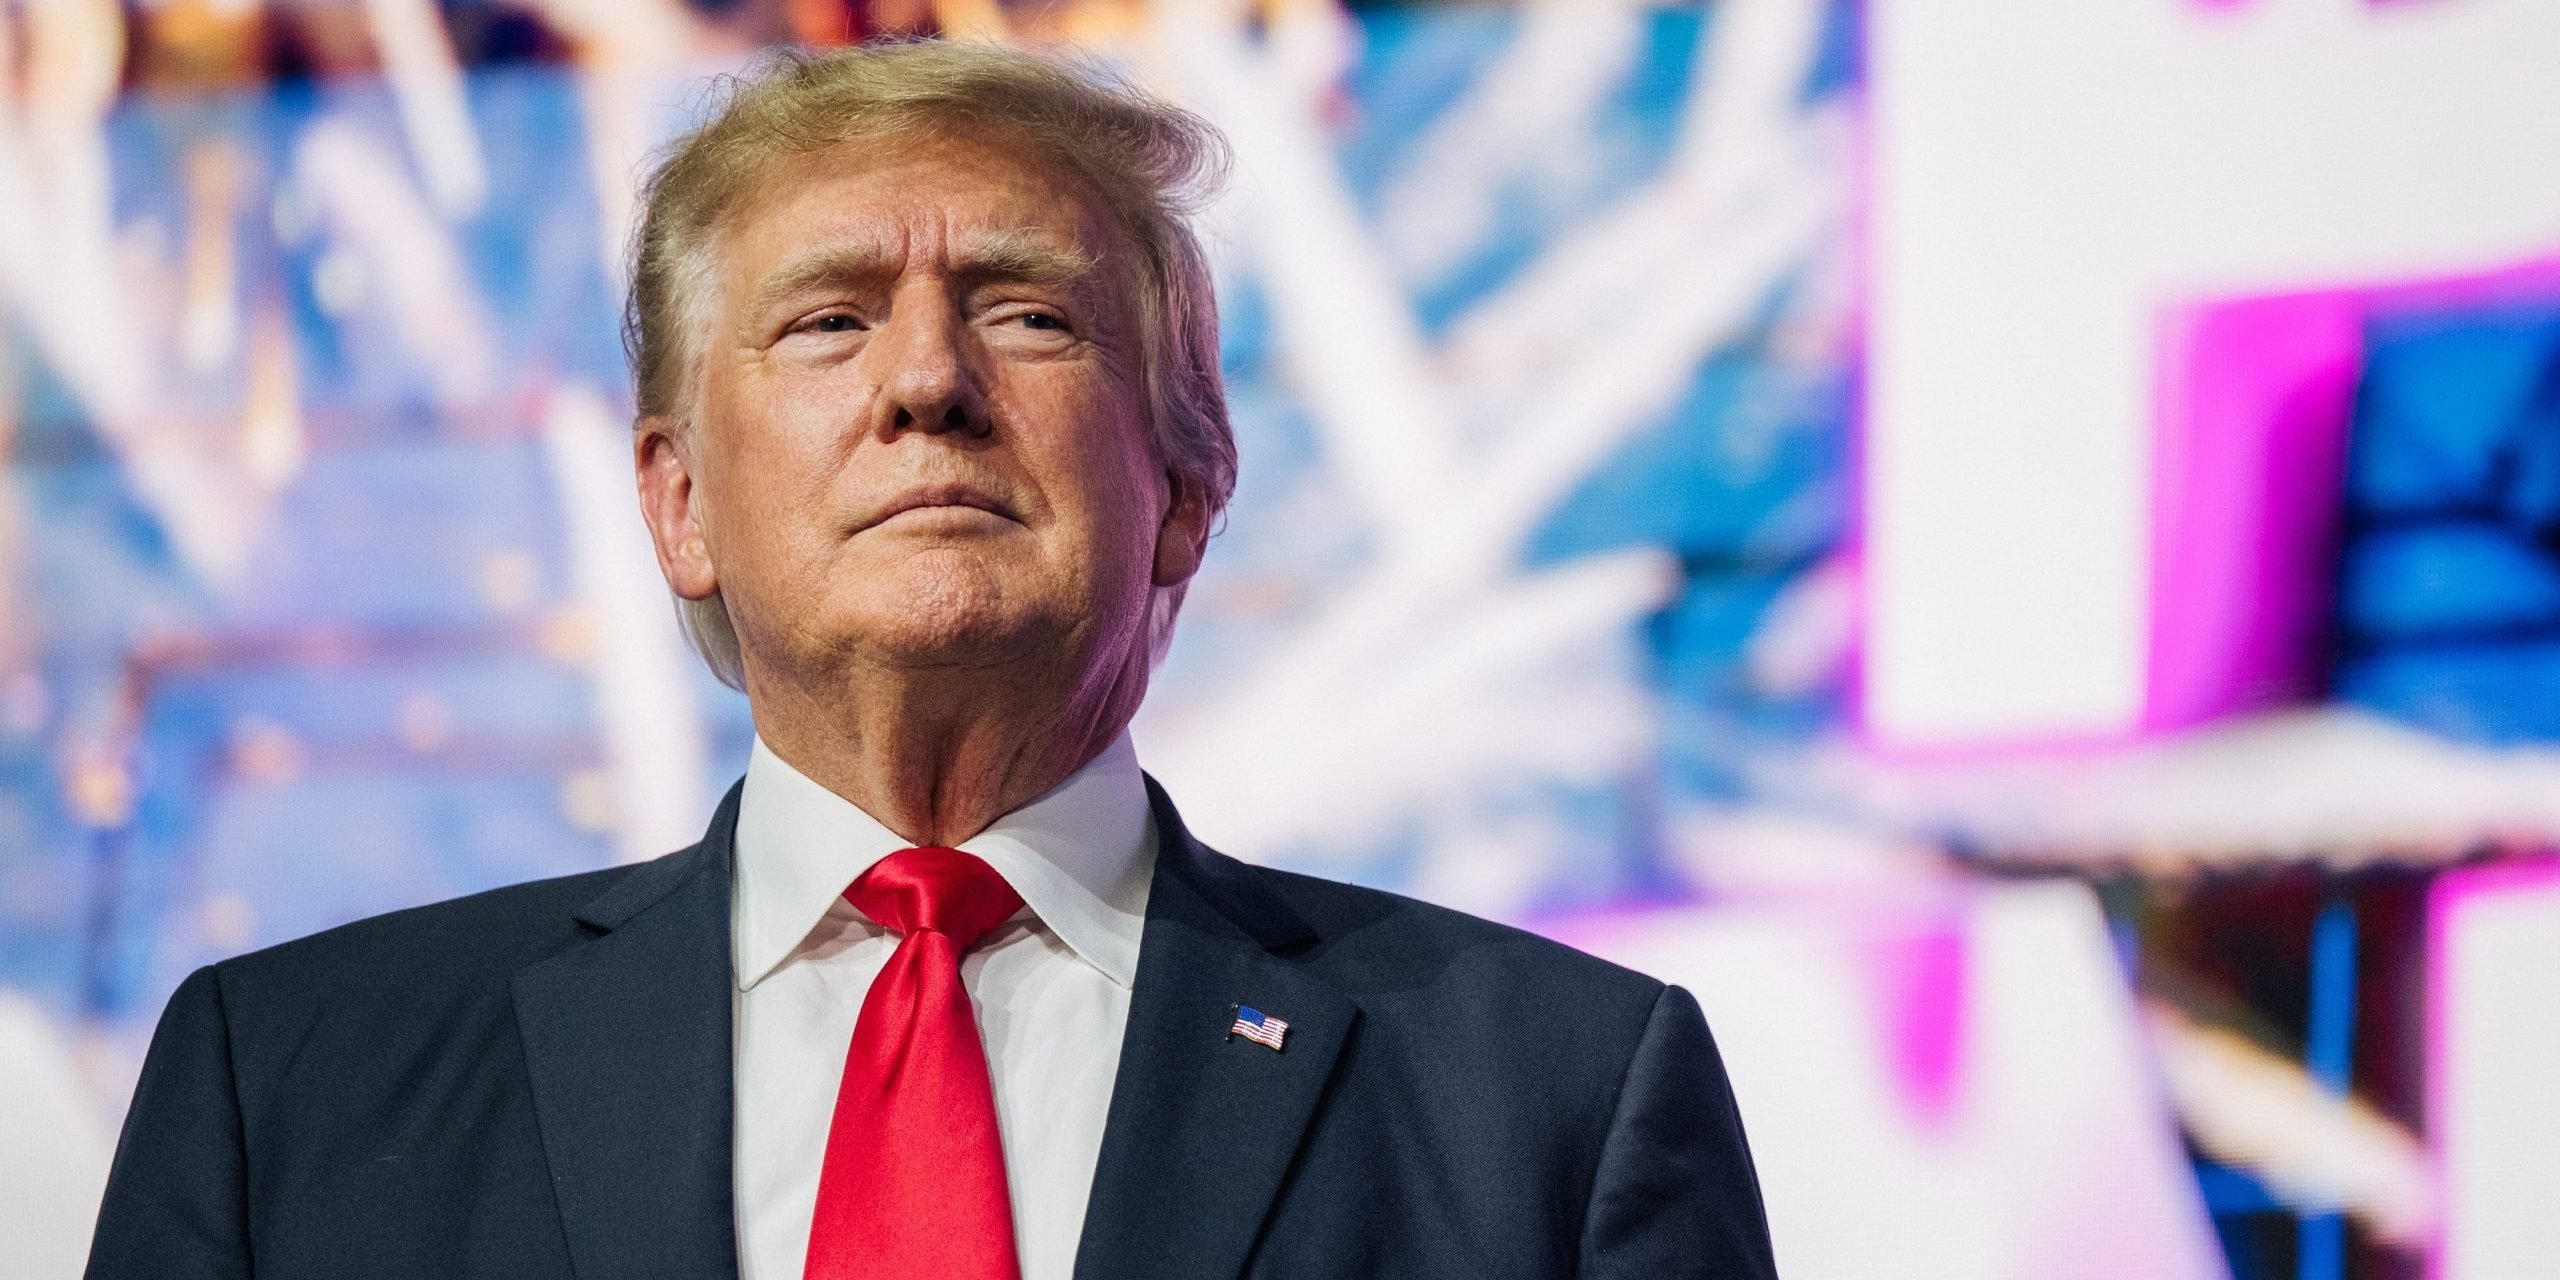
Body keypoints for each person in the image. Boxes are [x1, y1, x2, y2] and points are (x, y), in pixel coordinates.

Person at [84, 40, 1776, 1280]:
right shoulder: (291, 1090)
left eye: (1028, 313)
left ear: (1187, 489)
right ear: (678, 506)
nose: (926, 383)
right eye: (827, 320)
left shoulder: (1556, 1104)